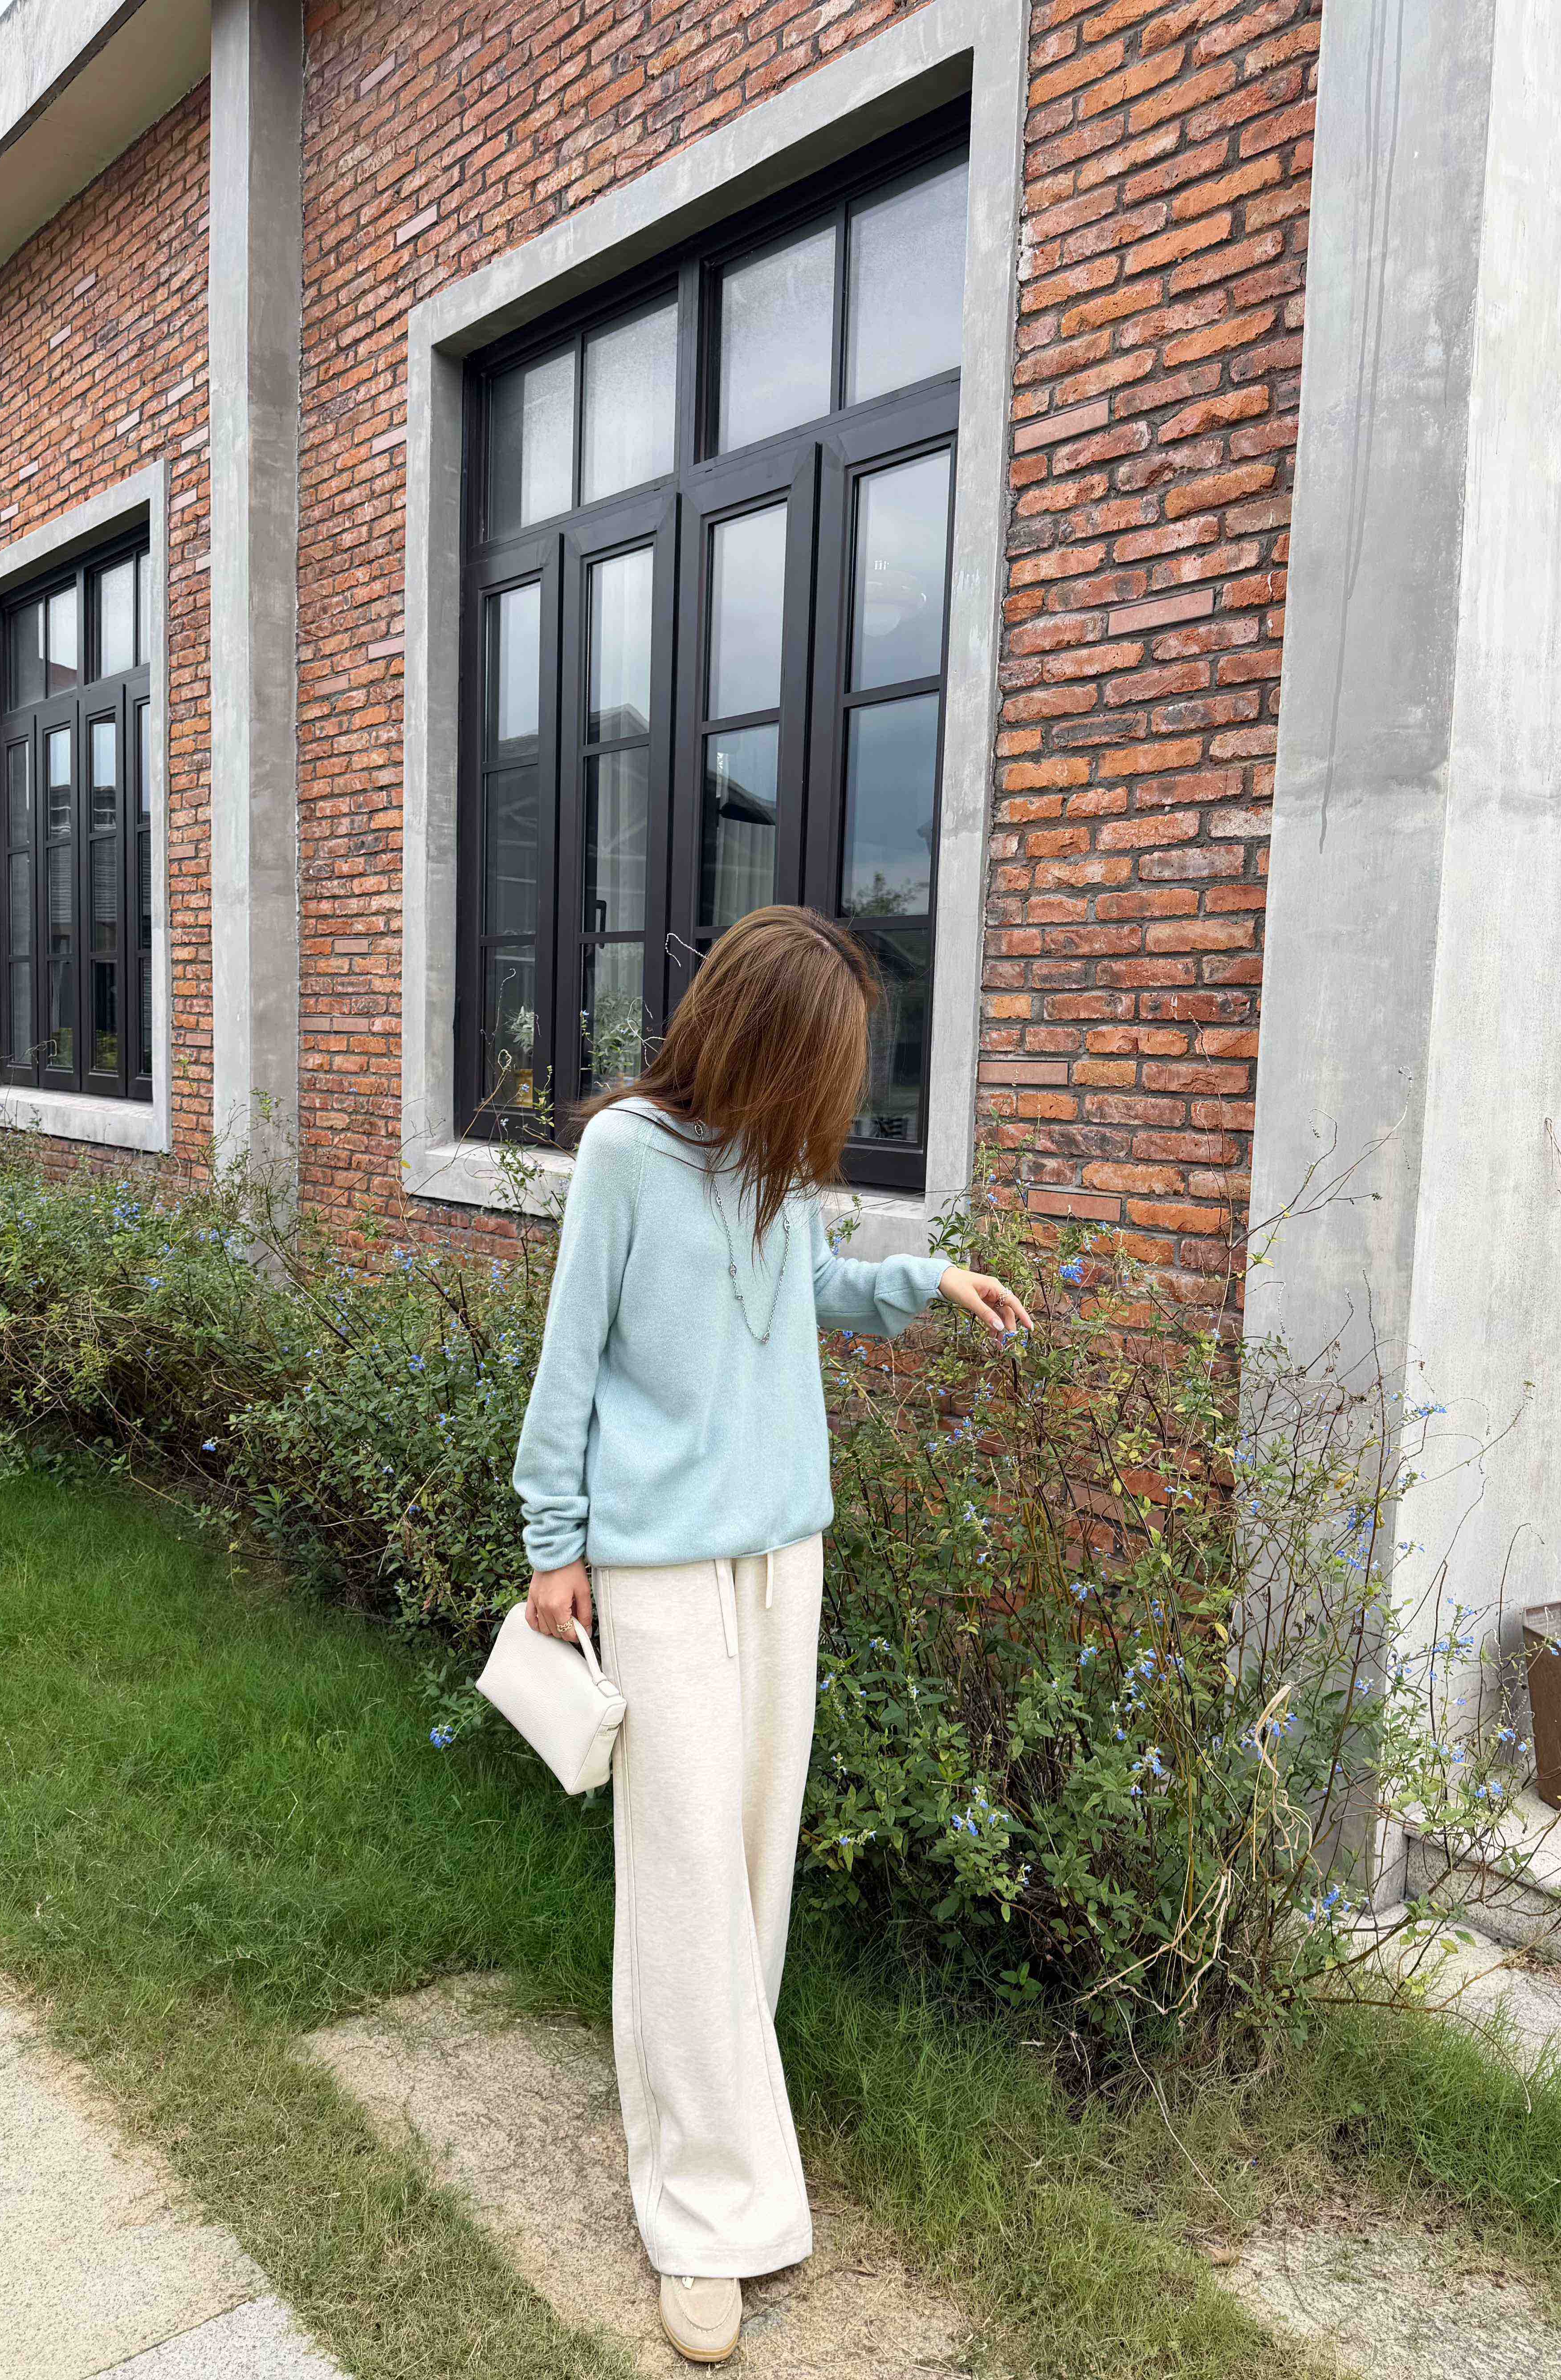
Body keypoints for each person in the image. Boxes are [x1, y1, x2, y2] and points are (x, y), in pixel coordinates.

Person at [512, 905, 1031, 2367]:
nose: (839, 1095)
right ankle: (702, 2212)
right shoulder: (625, 1156)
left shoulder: (774, 1165)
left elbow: (806, 1289)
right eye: (825, 1062)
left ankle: (719, 2135)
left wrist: (922, 1279)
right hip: (659, 1568)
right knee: (683, 1872)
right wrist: (552, 1543)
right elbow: (569, 1358)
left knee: (749, 1857)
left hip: (782, 1552)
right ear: (760, 1040)